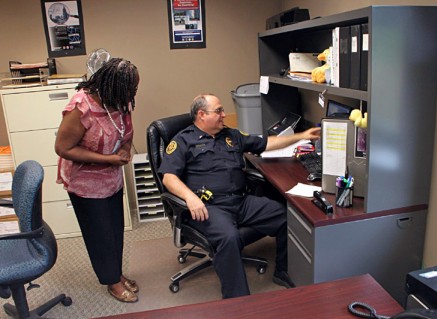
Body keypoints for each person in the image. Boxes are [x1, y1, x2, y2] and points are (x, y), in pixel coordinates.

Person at [159, 94, 321, 299]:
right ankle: (237, 300)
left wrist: (302, 135)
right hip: (209, 207)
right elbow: (169, 178)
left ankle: (283, 271)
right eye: (218, 111)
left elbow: (267, 143)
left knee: (286, 217)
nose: (224, 114)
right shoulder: (183, 141)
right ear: (201, 115)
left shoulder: (231, 135)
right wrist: (190, 198)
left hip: (240, 201)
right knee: (229, 237)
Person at [54, 58, 140, 303]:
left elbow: (126, 131)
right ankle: (111, 282)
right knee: (100, 235)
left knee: (114, 231)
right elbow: (63, 148)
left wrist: (124, 150)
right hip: (86, 184)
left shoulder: (119, 101)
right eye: (130, 90)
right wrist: (109, 159)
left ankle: (117, 273)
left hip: (111, 179)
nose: (132, 95)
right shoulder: (81, 108)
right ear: (111, 85)